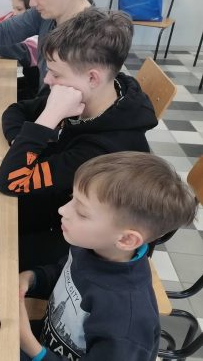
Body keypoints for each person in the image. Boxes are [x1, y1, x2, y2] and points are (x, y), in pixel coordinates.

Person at [0, 8, 158, 271]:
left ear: (93, 77)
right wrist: (24, 142)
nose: (47, 79)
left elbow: (9, 182)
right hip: (48, 207)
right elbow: (17, 111)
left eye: (56, 74)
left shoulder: (104, 150)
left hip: (72, 244)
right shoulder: (89, 93)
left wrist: (47, 120)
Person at [19, 152, 198, 360]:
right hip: (44, 343)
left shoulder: (126, 322)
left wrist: (31, 346)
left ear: (127, 239)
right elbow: (66, 275)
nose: (63, 210)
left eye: (82, 212)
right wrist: (32, 278)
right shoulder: (93, 246)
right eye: (71, 198)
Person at [0, 0, 40, 100]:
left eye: (19, 9)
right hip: (29, 82)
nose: (14, 13)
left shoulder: (40, 34)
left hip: (37, 94)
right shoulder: (24, 25)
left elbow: (21, 51)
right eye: (13, 8)